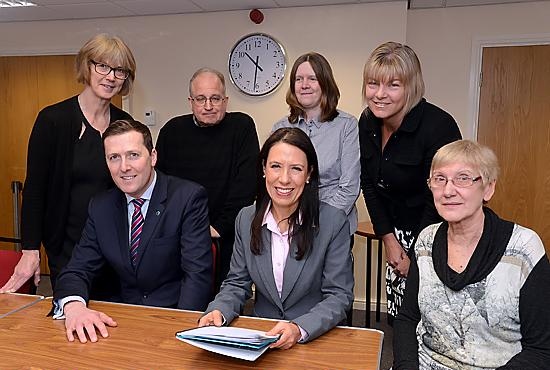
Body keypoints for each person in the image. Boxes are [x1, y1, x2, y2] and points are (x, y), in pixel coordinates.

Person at [394, 140, 550, 370]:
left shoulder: (524, 247)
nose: (448, 190)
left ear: (488, 188)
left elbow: (542, 350)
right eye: (439, 179)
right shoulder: (426, 241)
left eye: (463, 179)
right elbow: (407, 318)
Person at [0, 34, 137, 298]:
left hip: (116, 247)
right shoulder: (53, 120)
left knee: (115, 322)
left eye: (120, 70)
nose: (111, 77)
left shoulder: (125, 124)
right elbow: (36, 190)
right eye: (103, 66)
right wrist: (30, 250)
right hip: (67, 248)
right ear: (87, 66)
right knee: (72, 317)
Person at [53, 119, 213, 343]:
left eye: (133, 155)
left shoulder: (187, 198)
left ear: (153, 157)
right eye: (114, 158)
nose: (124, 167)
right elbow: (77, 269)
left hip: (173, 319)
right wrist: (74, 308)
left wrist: (181, 330)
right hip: (120, 321)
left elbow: (197, 275)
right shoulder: (101, 206)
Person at [198, 127, 354, 350]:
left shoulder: (333, 221)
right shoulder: (246, 218)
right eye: (275, 166)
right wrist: (219, 310)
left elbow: (339, 296)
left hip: (315, 337)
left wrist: (299, 328)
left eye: (296, 169)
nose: (284, 179)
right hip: (263, 336)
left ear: (309, 174)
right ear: (264, 169)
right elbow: (236, 283)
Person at [359, 41, 461, 322]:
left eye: (393, 85)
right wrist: (390, 242)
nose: (380, 94)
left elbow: (440, 198)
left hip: (436, 235)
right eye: (372, 84)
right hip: (396, 235)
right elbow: (369, 184)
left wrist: (416, 255)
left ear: (411, 86)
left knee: (432, 322)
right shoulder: (366, 122)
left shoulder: (438, 126)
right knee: (402, 319)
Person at [156, 67, 259, 292]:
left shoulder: (241, 126)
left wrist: (219, 228)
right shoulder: (172, 131)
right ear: (191, 101)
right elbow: (160, 185)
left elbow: (246, 185)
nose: (209, 106)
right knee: (180, 303)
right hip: (180, 237)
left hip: (228, 236)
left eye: (215, 98)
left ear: (226, 100)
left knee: (225, 304)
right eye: (201, 99)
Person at [272, 52, 360, 237]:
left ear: (325, 83)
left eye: (312, 78)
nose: (304, 85)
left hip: (333, 226)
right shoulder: (280, 128)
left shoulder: (346, 125)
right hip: (289, 227)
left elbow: (349, 187)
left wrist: (318, 223)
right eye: (299, 79)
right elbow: (273, 180)